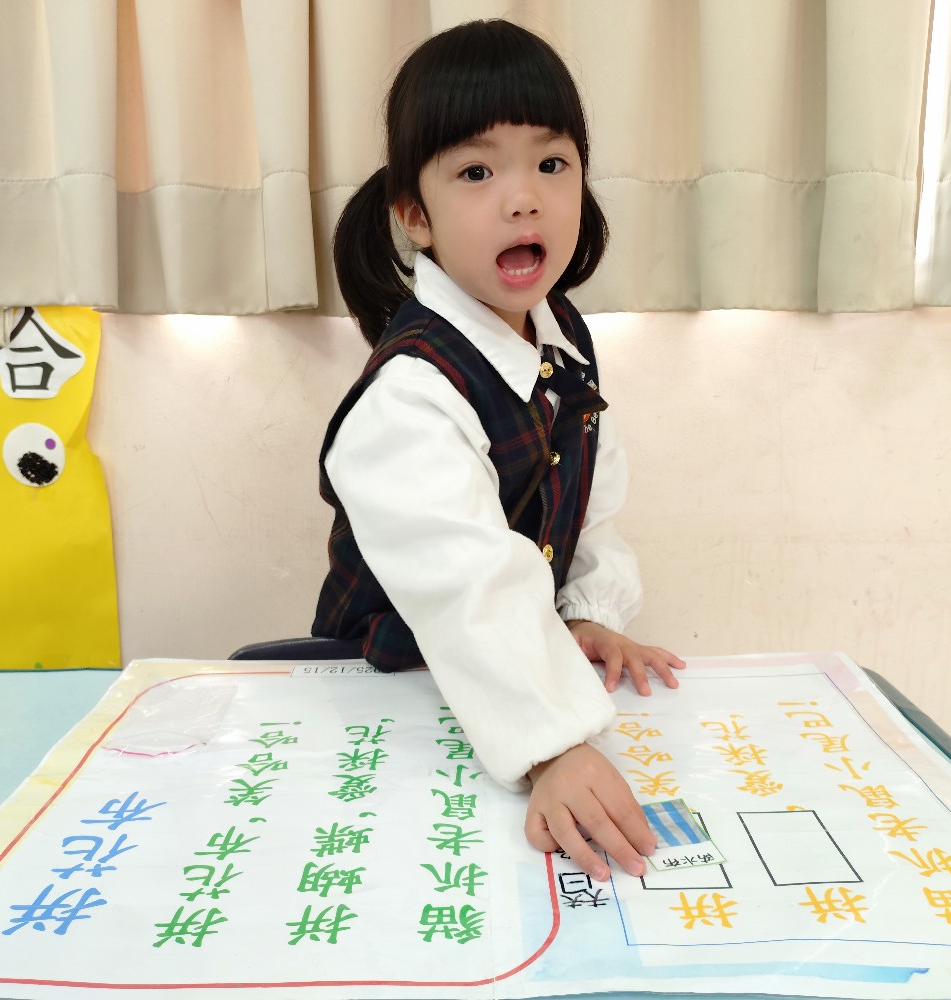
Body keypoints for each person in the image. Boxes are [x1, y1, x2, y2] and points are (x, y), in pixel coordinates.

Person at [312, 19, 684, 882]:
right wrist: (554, 746)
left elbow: (588, 503)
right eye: (476, 172)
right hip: (390, 692)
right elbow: (467, 583)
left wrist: (588, 610)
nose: (523, 199)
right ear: (415, 216)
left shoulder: (561, 337)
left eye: (551, 164)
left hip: (503, 682)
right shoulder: (409, 396)